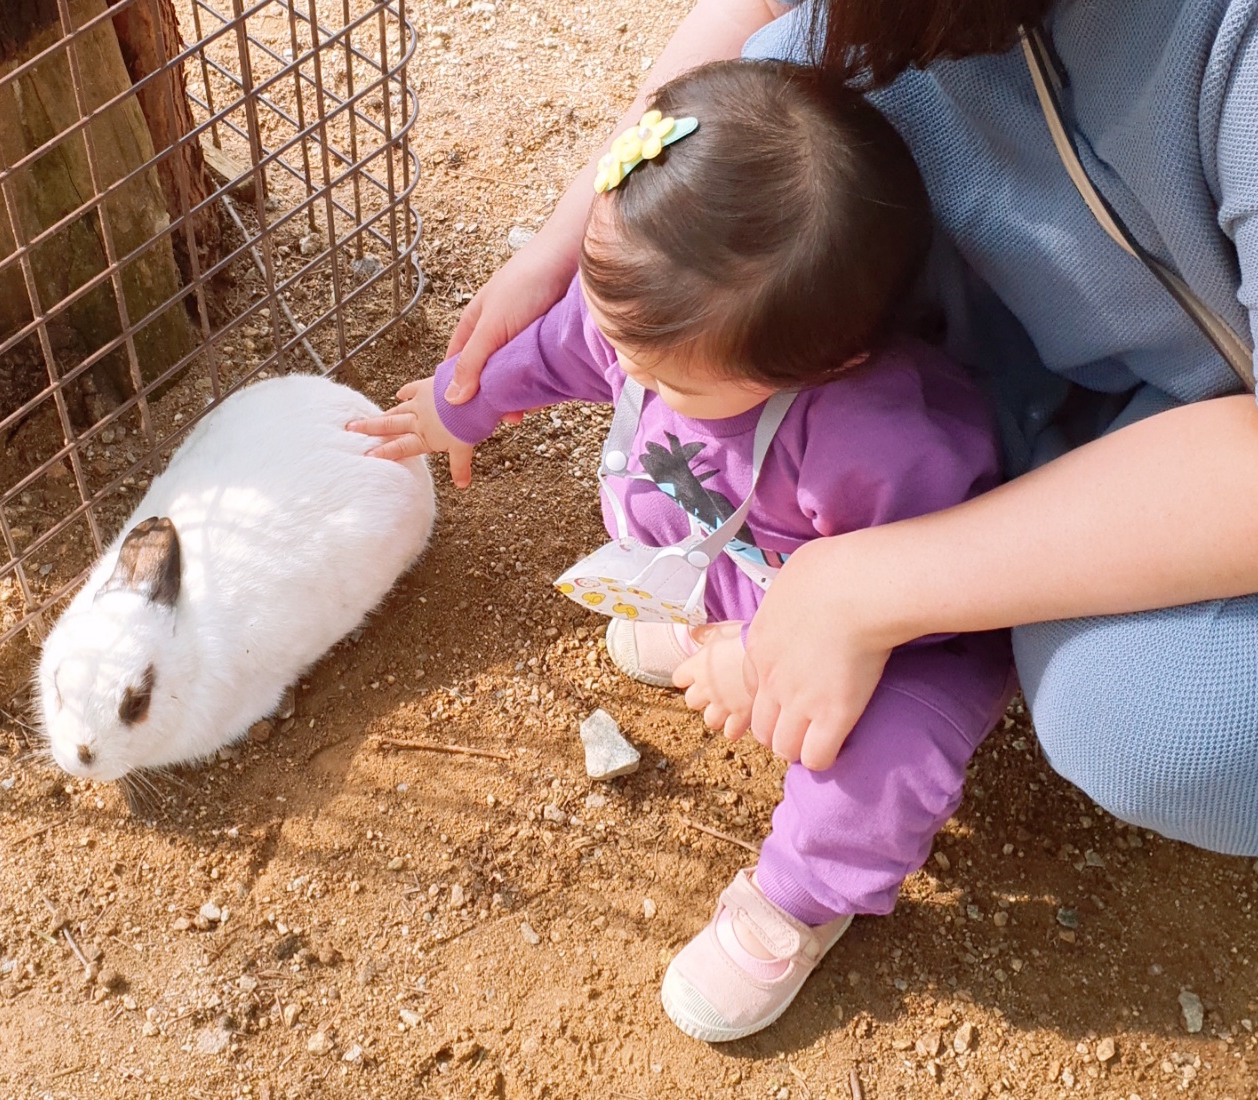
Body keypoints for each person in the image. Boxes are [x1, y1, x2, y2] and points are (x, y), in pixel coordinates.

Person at [442, 0, 1258, 868]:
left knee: (1151, 714)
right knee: (790, 94)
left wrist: (865, 583)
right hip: (1112, 337)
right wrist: (571, 248)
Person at [350, 60, 1012, 1041]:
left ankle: (796, 900)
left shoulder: (885, 448)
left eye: (661, 372)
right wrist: (464, 402)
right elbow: (564, 344)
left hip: (903, 639)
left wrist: (765, 660)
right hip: (756, 565)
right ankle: (707, 629)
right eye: (617, 332)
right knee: (673, 502)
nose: (620, 369)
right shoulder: (663, 312)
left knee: (879, 753)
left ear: (820, 365)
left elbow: (937, 597)